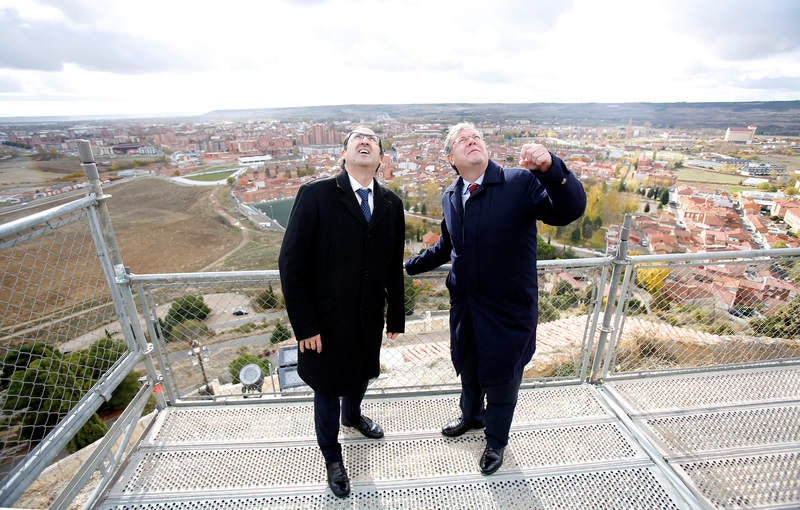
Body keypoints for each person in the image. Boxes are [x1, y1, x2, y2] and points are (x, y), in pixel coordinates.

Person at [404, 122, 586, 475]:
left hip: (508, 309)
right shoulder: (451, 194)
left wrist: (552, 168)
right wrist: (408, 267)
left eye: (476, 137)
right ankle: (471, 417)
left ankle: (496, 442)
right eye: (462, 140)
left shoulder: (519, 182)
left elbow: (567, 211)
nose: (472, 141)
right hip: (467, 307)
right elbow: (446, 246)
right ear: (450, 158)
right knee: (469, 369)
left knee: (503, 379)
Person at [279, 126, 405, 498]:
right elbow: (291, 263)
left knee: (362, 373)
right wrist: (305, 326)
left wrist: (395, 316)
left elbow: (392, 264)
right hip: (324, 322)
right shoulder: (316, 195)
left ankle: (353, 416)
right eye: (356, 140)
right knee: (326, 388)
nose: (365, 142)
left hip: (367, 316)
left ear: (381, 159)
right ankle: (333, 458)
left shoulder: (390, 204)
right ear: (344, 155)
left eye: (373, 141)